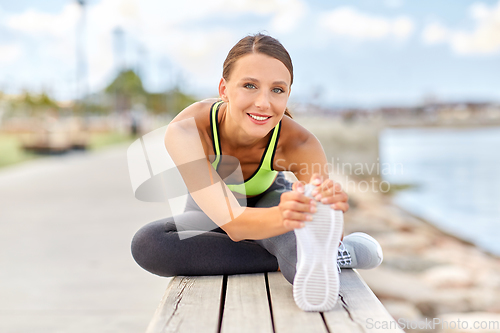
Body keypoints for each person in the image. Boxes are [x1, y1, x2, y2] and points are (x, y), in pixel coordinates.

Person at [131, 33, 382, 311]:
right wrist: (287, 220)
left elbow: (326, 224)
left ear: (287, 95)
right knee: (150, 244)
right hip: (213, 209)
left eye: (277, 90)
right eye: (250, 85)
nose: (263, 103)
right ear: (224, 89)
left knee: (303, 260)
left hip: (270, 199)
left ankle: (321, 256)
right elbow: (233, 224)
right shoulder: (188, 130)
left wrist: (321, 206)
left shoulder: (299, 143)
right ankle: (334, 257)